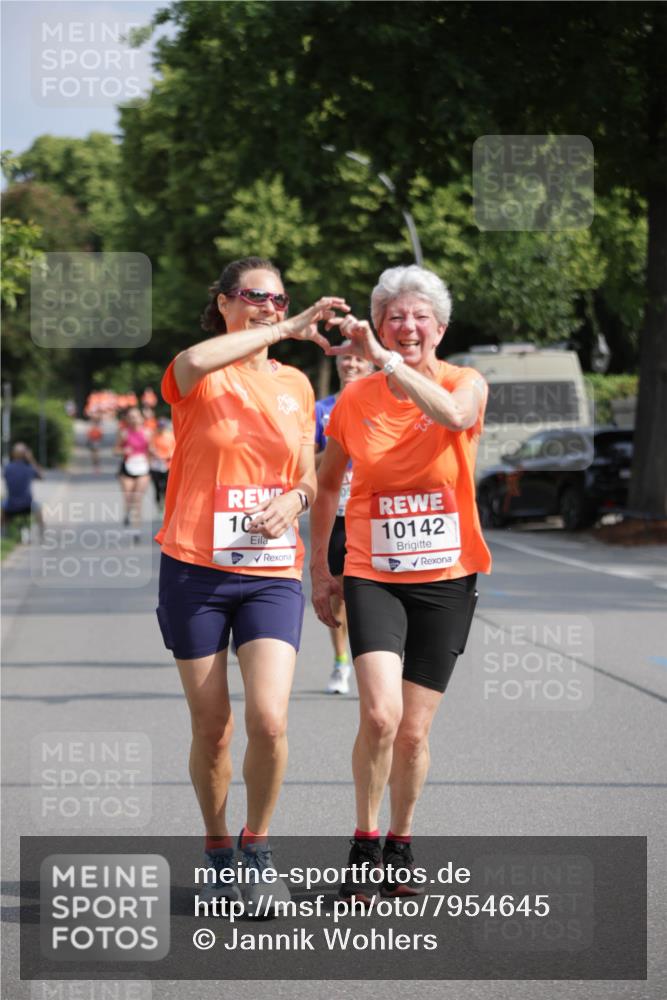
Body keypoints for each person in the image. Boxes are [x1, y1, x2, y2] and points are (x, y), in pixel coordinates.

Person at [154, 256, 347, 913]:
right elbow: (190, 363)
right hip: (195, 568)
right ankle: (216, 850)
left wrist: (295, 500)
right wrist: (284, 327)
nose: (269, 306)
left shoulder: (295, 383)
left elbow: (307, 474)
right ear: (225, 302)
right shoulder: (199, 370)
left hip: (269, 572)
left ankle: (257, 850)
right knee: (213, 729)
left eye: (279, 299)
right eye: (255, 296)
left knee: (269, 718)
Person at [310, 264, 491, 903]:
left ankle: (401, 843)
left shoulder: (465, 382)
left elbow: (451, 415)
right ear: (379, 324)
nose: (407, 326)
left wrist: (388, 361)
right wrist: (320, 568)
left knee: (414, 732)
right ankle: (364, 844)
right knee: (380, 716)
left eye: (419, 317)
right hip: (373, 573)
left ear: (440, 328)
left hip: (447, 576)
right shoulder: (355, 401)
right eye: (394, 317)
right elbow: (326, 485)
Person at [315, 353, 374, 694]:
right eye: (346, 358)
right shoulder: (321, 409)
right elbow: (306, 462)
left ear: (371, 366)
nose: (351, 363)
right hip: (336, 515)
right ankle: (341, 662)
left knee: (368, 596)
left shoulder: (382, 404)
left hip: (372, 516)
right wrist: (339, 447)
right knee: (339, 595)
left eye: (359, 359)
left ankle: (373, 666)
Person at [114, 406, 151, 533]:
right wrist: (123, 450)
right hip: (127, 468)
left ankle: (136, 528)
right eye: (131, 417)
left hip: (143, 468)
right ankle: (128, 512)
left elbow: (151, 450)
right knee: (128, 497)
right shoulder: (123, 433)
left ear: (141, 418)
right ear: (127, 419)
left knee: (137, 499)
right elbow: (115, 450)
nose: (134, 419)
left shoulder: (148, 432)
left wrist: (152, 455)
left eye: (136, 416)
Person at [1, 442, 44, 539]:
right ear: (25, 454)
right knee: (39, 507)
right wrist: (31, 459)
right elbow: (41, 476)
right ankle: (41, 535)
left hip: (11, 505)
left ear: (13, 454)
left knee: (2, 505)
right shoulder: (29, 468)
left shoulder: (8, 468)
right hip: (27, 505)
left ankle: (2, 534)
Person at [148, 418, 175, 508]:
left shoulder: (170, 436)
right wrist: (156, 454)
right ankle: (159, 501)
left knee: (167, 485)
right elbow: (151, 448)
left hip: (167, 464)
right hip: (156, 464)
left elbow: (174, 448)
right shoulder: (154, 436)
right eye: (160, 427)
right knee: (157, 485)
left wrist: (169, 455)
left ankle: (166, 503)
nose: (161, 429)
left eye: (163, 427)